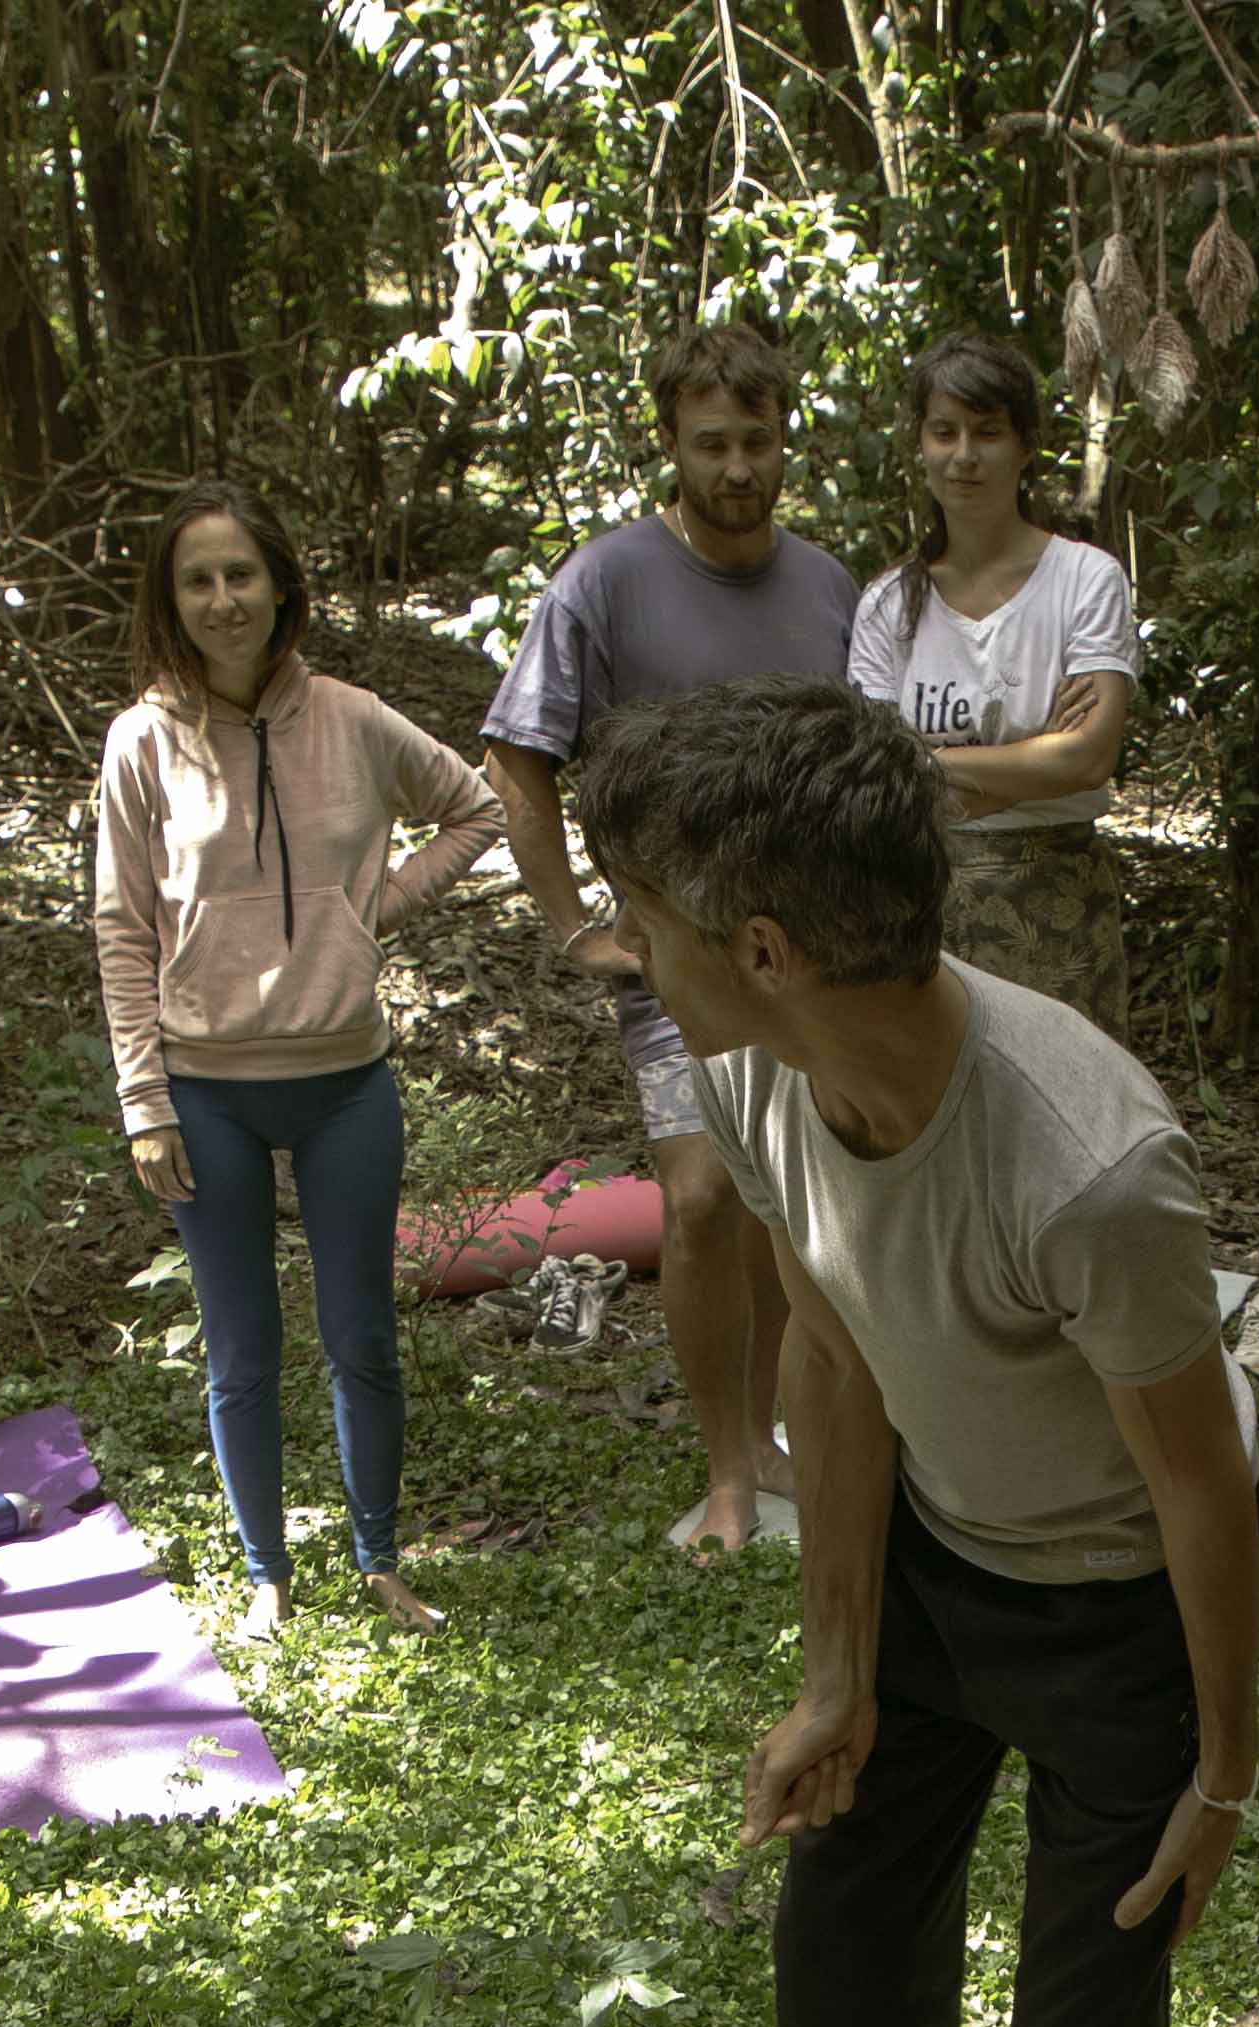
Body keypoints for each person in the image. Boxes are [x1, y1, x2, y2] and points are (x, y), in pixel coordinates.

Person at [578, 678, 1259, 2027]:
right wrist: (841, 1665)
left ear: (767, 948)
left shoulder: (1085, 1164)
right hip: (946, 1573)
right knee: (841, 1946)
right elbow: (831, 1355)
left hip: (1124, 1613)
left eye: (647, 909)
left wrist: (1220, 1771)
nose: (631, 942)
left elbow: (1204, 1482)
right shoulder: (762, 1079)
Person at [92, 475, 503, 1642]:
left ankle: (379, 1560)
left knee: (361, 1335)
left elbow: (475, 809)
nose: (224, 599)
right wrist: (143, 1099)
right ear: (171, 600)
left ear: (280, 586)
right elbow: (120, 927)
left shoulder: (355, 718)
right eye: (198, 580)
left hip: (345, 1085)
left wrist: (377, 906)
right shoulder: (141, 743)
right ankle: (267, 1572)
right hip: (204, 1090)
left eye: (241, 574)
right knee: (241, 1349)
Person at [481, 322, 866, 1561]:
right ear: (671, 445)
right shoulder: (602, 583)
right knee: (701, 1201)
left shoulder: (829, 589)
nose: (740, 466)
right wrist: (572, 923)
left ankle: (783, 1439)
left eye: (759, 440)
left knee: (797, 1206)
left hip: (807, 956)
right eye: (714, 443)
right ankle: (727, 1476)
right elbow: (518, 756)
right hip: (672, 957)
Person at [847, 336, 1139, 1033]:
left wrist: (921, 766)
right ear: (919, 445)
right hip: (921, 902)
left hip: (1059, 899)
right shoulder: (889, 604)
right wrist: (1034, 757)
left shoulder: (1085, 580)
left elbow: (1088, 760)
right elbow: (870, 787)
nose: (964, 456)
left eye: (987, 432)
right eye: (943, 433)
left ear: (1025, 445)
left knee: (1068, 1119)